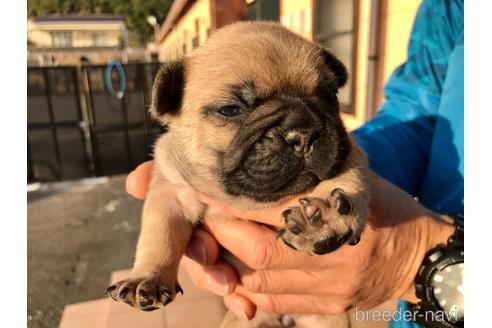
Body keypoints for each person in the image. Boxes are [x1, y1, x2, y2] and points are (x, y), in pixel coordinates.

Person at [125, 0, 463, 326]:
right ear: (170, 106)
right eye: (233, 110)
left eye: (325, 97)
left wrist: (416, 260)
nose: (300, 134)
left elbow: (348, 179)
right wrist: (154, 270)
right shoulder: (450, 8)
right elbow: (417, 113)